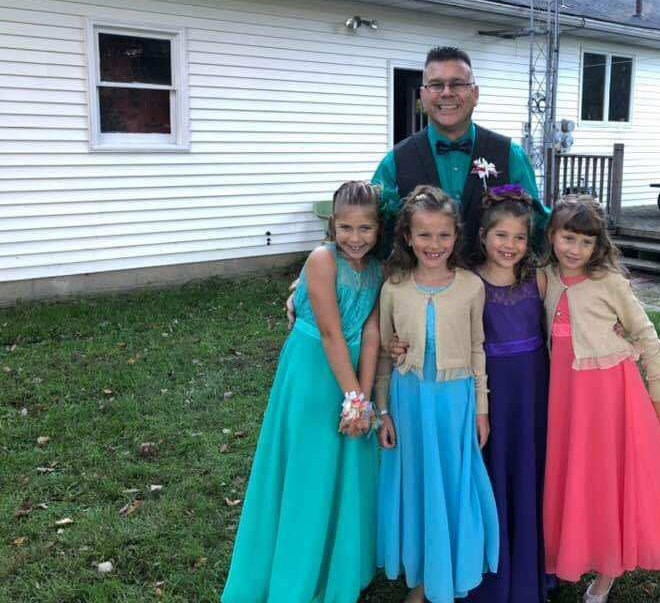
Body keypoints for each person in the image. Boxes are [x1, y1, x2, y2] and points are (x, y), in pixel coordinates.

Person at [389, 183, 552, 603]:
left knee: (524, 470)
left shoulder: (540, 280)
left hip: (527, 391)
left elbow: (577, 297)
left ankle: (526, 564)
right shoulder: (468, 280)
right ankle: (472, 565)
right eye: (501, 235)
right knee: (482, 474)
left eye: (519, 237)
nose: (510, 245)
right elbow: (403, 323)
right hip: (477, 391)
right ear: (481, 236)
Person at [221, 181, 383, 603]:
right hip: (313, 369)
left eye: (366, 228)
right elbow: (331, 332)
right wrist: (354, 398)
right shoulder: (321, 259)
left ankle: (335, 563)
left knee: (345, 465)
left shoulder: (379, 269)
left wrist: (363, 401)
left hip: (352, 380)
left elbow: (370, 333)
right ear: (333, 225)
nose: (356, 238)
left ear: (380, 228)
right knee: (308, 469)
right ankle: (294, 570)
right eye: (346, 227)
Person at [540, 195, 660, 603]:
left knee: (643, 476)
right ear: (551, 236)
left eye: (585, 241)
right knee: (586, 480)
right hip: (566, 398)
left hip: (612, 394)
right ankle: (602, 567)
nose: (574, 249)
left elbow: (646, 333)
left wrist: (659, 389)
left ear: (598, 245)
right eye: (567, 238)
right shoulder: (544, 276)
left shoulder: (610, 283)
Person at [376, 186, 499, 603]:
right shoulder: (394, 286)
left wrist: (481, 409)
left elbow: (478, 347)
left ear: (456, 235)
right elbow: (384, 351)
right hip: (409, 399)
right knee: (417, 481)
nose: (434, 244)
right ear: (408, 237)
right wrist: (383, 410)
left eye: (443, 235)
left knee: (451, 482)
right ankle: (422, 572)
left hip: (454, 400)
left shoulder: (469, 285)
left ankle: (445, 570)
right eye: (424, 235)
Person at [373, 46, 547, 257]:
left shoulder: (510, 155)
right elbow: (375, 231)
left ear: (475, 93)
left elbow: (536, 226)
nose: (447, 92)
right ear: (423, 95)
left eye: (457, 84)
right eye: (436, 85)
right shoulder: (395, 162)